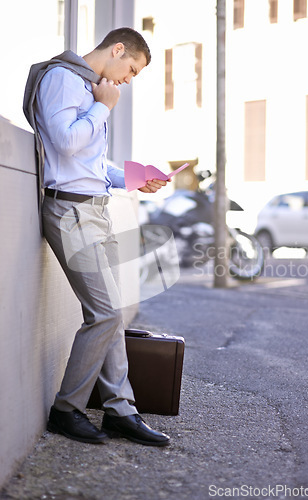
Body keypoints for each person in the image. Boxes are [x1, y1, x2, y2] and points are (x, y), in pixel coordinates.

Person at [23, 27, 170, 446]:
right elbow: (66, 143)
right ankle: (66, 410)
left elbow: (91, 163)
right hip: (68, 211)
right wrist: (104, 108)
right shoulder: (62, 79)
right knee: (104, 314)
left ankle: (121, 410)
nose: (128, 79)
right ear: (118, 49)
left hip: (92, 210)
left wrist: (135, 178)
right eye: (132, 69)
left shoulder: (90, 88)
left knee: (113, 312)